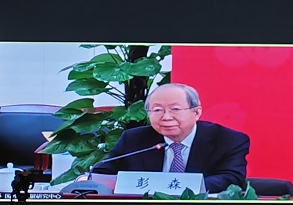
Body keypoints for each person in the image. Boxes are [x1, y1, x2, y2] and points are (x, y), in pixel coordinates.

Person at [92, 83, 250, 193]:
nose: (166, 117)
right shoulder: (134, 139)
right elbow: (102, 173)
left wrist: (178, 187)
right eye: (157, 110)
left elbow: (232, 179)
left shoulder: (228, 140)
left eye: (175, 109)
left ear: (196, 112)